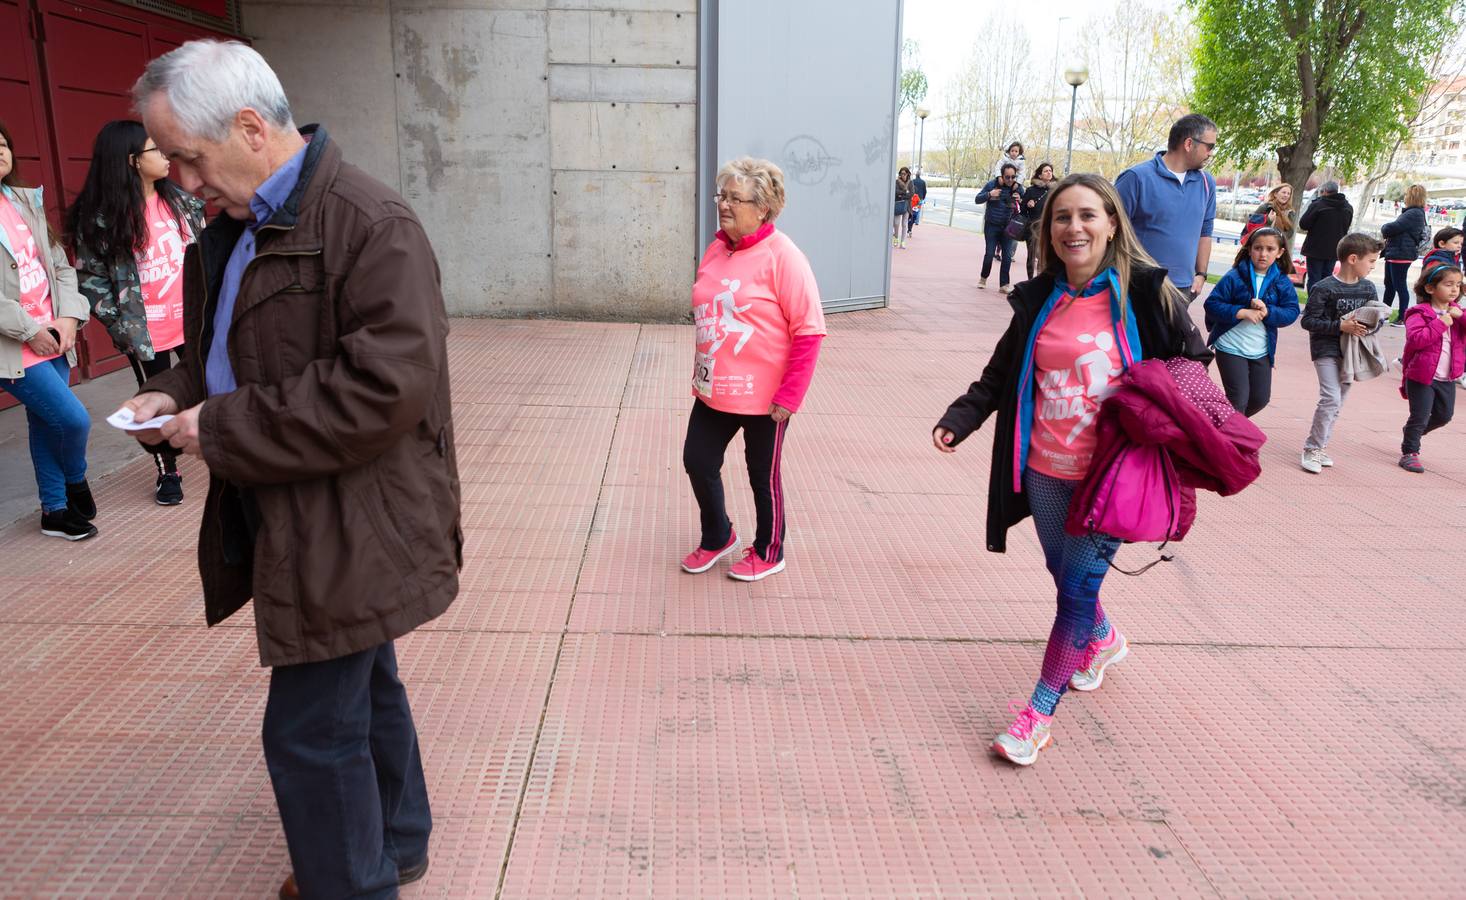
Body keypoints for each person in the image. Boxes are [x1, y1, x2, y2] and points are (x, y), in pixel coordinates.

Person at [122, 40, 461, 899]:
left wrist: (222, 426)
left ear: (247, 128)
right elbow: (236, 351)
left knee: (310, 733)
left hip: (355, 519)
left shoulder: (369, 223)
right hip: (306, 511)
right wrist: (173, 395)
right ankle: (398, 842)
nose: (184, 182)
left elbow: (381, 389)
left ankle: (354, 883)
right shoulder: (239, 228)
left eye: (190, 159)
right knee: (364, 683)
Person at [933, 173, 1210, 767]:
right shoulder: (1038, 300)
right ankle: (1104, 641)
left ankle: (1036, 715)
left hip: (1109, 473)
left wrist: (1164, 414)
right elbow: (1000, 375)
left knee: (1076, 592)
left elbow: (1192, 364)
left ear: (1112, 224)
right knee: (1067, 579)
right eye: (1062, 217)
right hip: (1043, 468)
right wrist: (960, 418)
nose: (1074, 227)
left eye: (1088, 215)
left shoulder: (1149, 294)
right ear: (1048, 230)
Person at [684, 157, 825, 583]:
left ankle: (769, 548)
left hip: (766, 395)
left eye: (735, 199)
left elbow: (809, 330)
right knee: (697, 459)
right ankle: (718, 534)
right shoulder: (716, 249)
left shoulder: (784, 256)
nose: (724, 205)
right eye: (721, 196)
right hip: (716, 388)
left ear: (762, 207)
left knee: (761, 475)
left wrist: (789, 396)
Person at [67, 120, 205, 506]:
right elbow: (90, 278)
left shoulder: (182, 201)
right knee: (156, 398)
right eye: (156, 150)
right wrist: (120, 323)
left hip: (195, 320)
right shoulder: (103, 218)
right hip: (147, 331)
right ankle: (168, 471)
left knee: (212, 385)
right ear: (132, 161)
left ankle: (221, 452)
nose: (166, 156)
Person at [0, 121, 97, 541]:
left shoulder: (24, 201)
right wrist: (30, 331)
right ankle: (76, 479)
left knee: (45, 422)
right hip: (14, 343)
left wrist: (70, 318)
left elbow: (58, 265)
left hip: (55, 333)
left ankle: (54, 511)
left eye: (2, 143)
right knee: (74, 421)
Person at [1299, 233, 1383, 473]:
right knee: (1331, 398)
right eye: (1371, 261)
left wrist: (1368, 326)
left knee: (1339, 401)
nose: (1373, 267)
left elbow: (1378, 318)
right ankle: (1311, 448)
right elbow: (1309, 321)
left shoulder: (1368, 288)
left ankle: (1321, 445)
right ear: (1353, 259)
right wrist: (1340, 326)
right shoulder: (1324, 287)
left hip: (1353, 352)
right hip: (1326, 350)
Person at [1114, 114, 1218, 299]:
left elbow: (1205, 230)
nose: (1211, 153)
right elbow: (1109, 229)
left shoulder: (1206, 182)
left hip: (1183, 290)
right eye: (1210, 147)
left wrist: (1201, 274)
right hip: (1137, 287)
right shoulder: (1136, 178)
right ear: (1188, 144)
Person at [1202, 227, 1300, 416]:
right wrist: (1241, 312)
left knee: (1259, 399)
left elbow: (1291, 311)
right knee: (1238, 399)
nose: (1263, 254)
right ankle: (1231, 440)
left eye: (1270, 249)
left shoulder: (1282, 281)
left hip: (1261, 350)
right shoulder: (1234, 276)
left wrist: (1268, 311)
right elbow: (1212, 304)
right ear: (1249, 249)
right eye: (1258, 248)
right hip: (1230, 345)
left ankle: (1223, 426)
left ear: (1280, 253)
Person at [1397, 258, 1465, 473]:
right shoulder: (1419, 313)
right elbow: (1417, 340)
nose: (1454, 289)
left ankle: (1411, 432)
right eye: (1448, 284)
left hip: (1447, 376)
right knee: (1419, 414)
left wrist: (1459, 317)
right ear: (1430, 288)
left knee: (1444, 415)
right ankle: (1410, 452)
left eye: (1458, 284)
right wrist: (1441, 322)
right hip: (1422, 375)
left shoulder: (1459, 313)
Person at [1380, 184, 1430, 323]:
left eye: (1407, 195)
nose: (1405, 197)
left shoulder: (1413, 213)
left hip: (1400, 253)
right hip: (1397, 252)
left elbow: (1392, 228)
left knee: (1399, 286)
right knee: (1390, 285)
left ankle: (1402, 317)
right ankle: (1385, 314)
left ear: (1412, 196)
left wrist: (1384, 227)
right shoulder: (1415, 213)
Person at [974, 162, 1024, 293]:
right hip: (992, 225)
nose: (1010, 180)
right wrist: (990, 194)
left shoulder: (1017, 188)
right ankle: (983, 278)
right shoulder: (992, 185)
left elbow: (1025, 204)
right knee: (989, 254)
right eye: (1007, 177)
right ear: (1002, 176)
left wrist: (1021, 199)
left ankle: (1004, 285)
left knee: (1007, 256)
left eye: (1013, 177)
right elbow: (977, 199)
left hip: (1008, 227)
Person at [1297, 181, 1353, 289]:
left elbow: (1303, 224)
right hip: (1334, 249)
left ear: (1325, 191)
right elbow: (1346, 227)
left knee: (1314, 278)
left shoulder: (1318, 205)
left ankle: (1314, 303)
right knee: (1327, 278)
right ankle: (1323, 303)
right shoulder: (1348, 208)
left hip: (1315, 249)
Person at [1020, 162, 1056, 281]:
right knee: (1031, 256)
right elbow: (1022, 209)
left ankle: (1040, 280)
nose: (1049, 173)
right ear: (1040, 175)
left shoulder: (1055, 191)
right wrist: (1028, 204)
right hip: (1032, 227)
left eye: (1050, 171)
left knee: (1043, 256)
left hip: (1048, 228)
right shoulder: (1031, 190)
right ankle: (1030, 280)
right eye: (1046, 171)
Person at [1249, 183, 1296, 248]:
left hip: (1277, 246)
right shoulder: (1266, 207)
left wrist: (1279, 239)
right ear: (1275, 194)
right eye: (1283, 192)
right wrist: (1268, 221)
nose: (1286, 195)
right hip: (1260, 245)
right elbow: (1251, 225)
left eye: (1288, 193)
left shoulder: (1290, 212)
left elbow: (1290, 232)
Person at [893, 166, 913, 249]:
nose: (903, 175)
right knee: (896, 223)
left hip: (907, 206)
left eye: (904, 174)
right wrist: (904, 192)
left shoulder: (910, 183)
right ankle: (896, 239)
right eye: (901, 174)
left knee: (904, 224)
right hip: (898, 205)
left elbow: (911, 193)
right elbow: (896, 192)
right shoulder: (897, 182)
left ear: (908, 174)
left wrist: (902, 195)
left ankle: (903, 242)